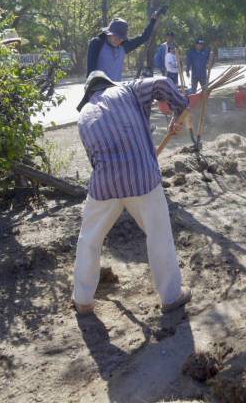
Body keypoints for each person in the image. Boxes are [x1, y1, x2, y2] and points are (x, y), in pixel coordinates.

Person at [73, 70, 192, 316]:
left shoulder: (83, 115)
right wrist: (180, 108)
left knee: (89, 240)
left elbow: (94, 159)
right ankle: (171, 296)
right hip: (142, 178)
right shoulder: (128, 90)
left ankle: (83, 300)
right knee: (159, 235)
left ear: (89, 94)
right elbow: (161, 83)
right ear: (109, 82)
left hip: (104, 183)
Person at [86, 7, 165, 80]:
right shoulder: (97, 44)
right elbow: (90, 73)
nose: (118, 40)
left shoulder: (123, 47)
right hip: (100, 90)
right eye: (115, 36)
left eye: (121, 38)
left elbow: (144, 37)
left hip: (116, 90)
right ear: (108, 33)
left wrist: (153, 20)